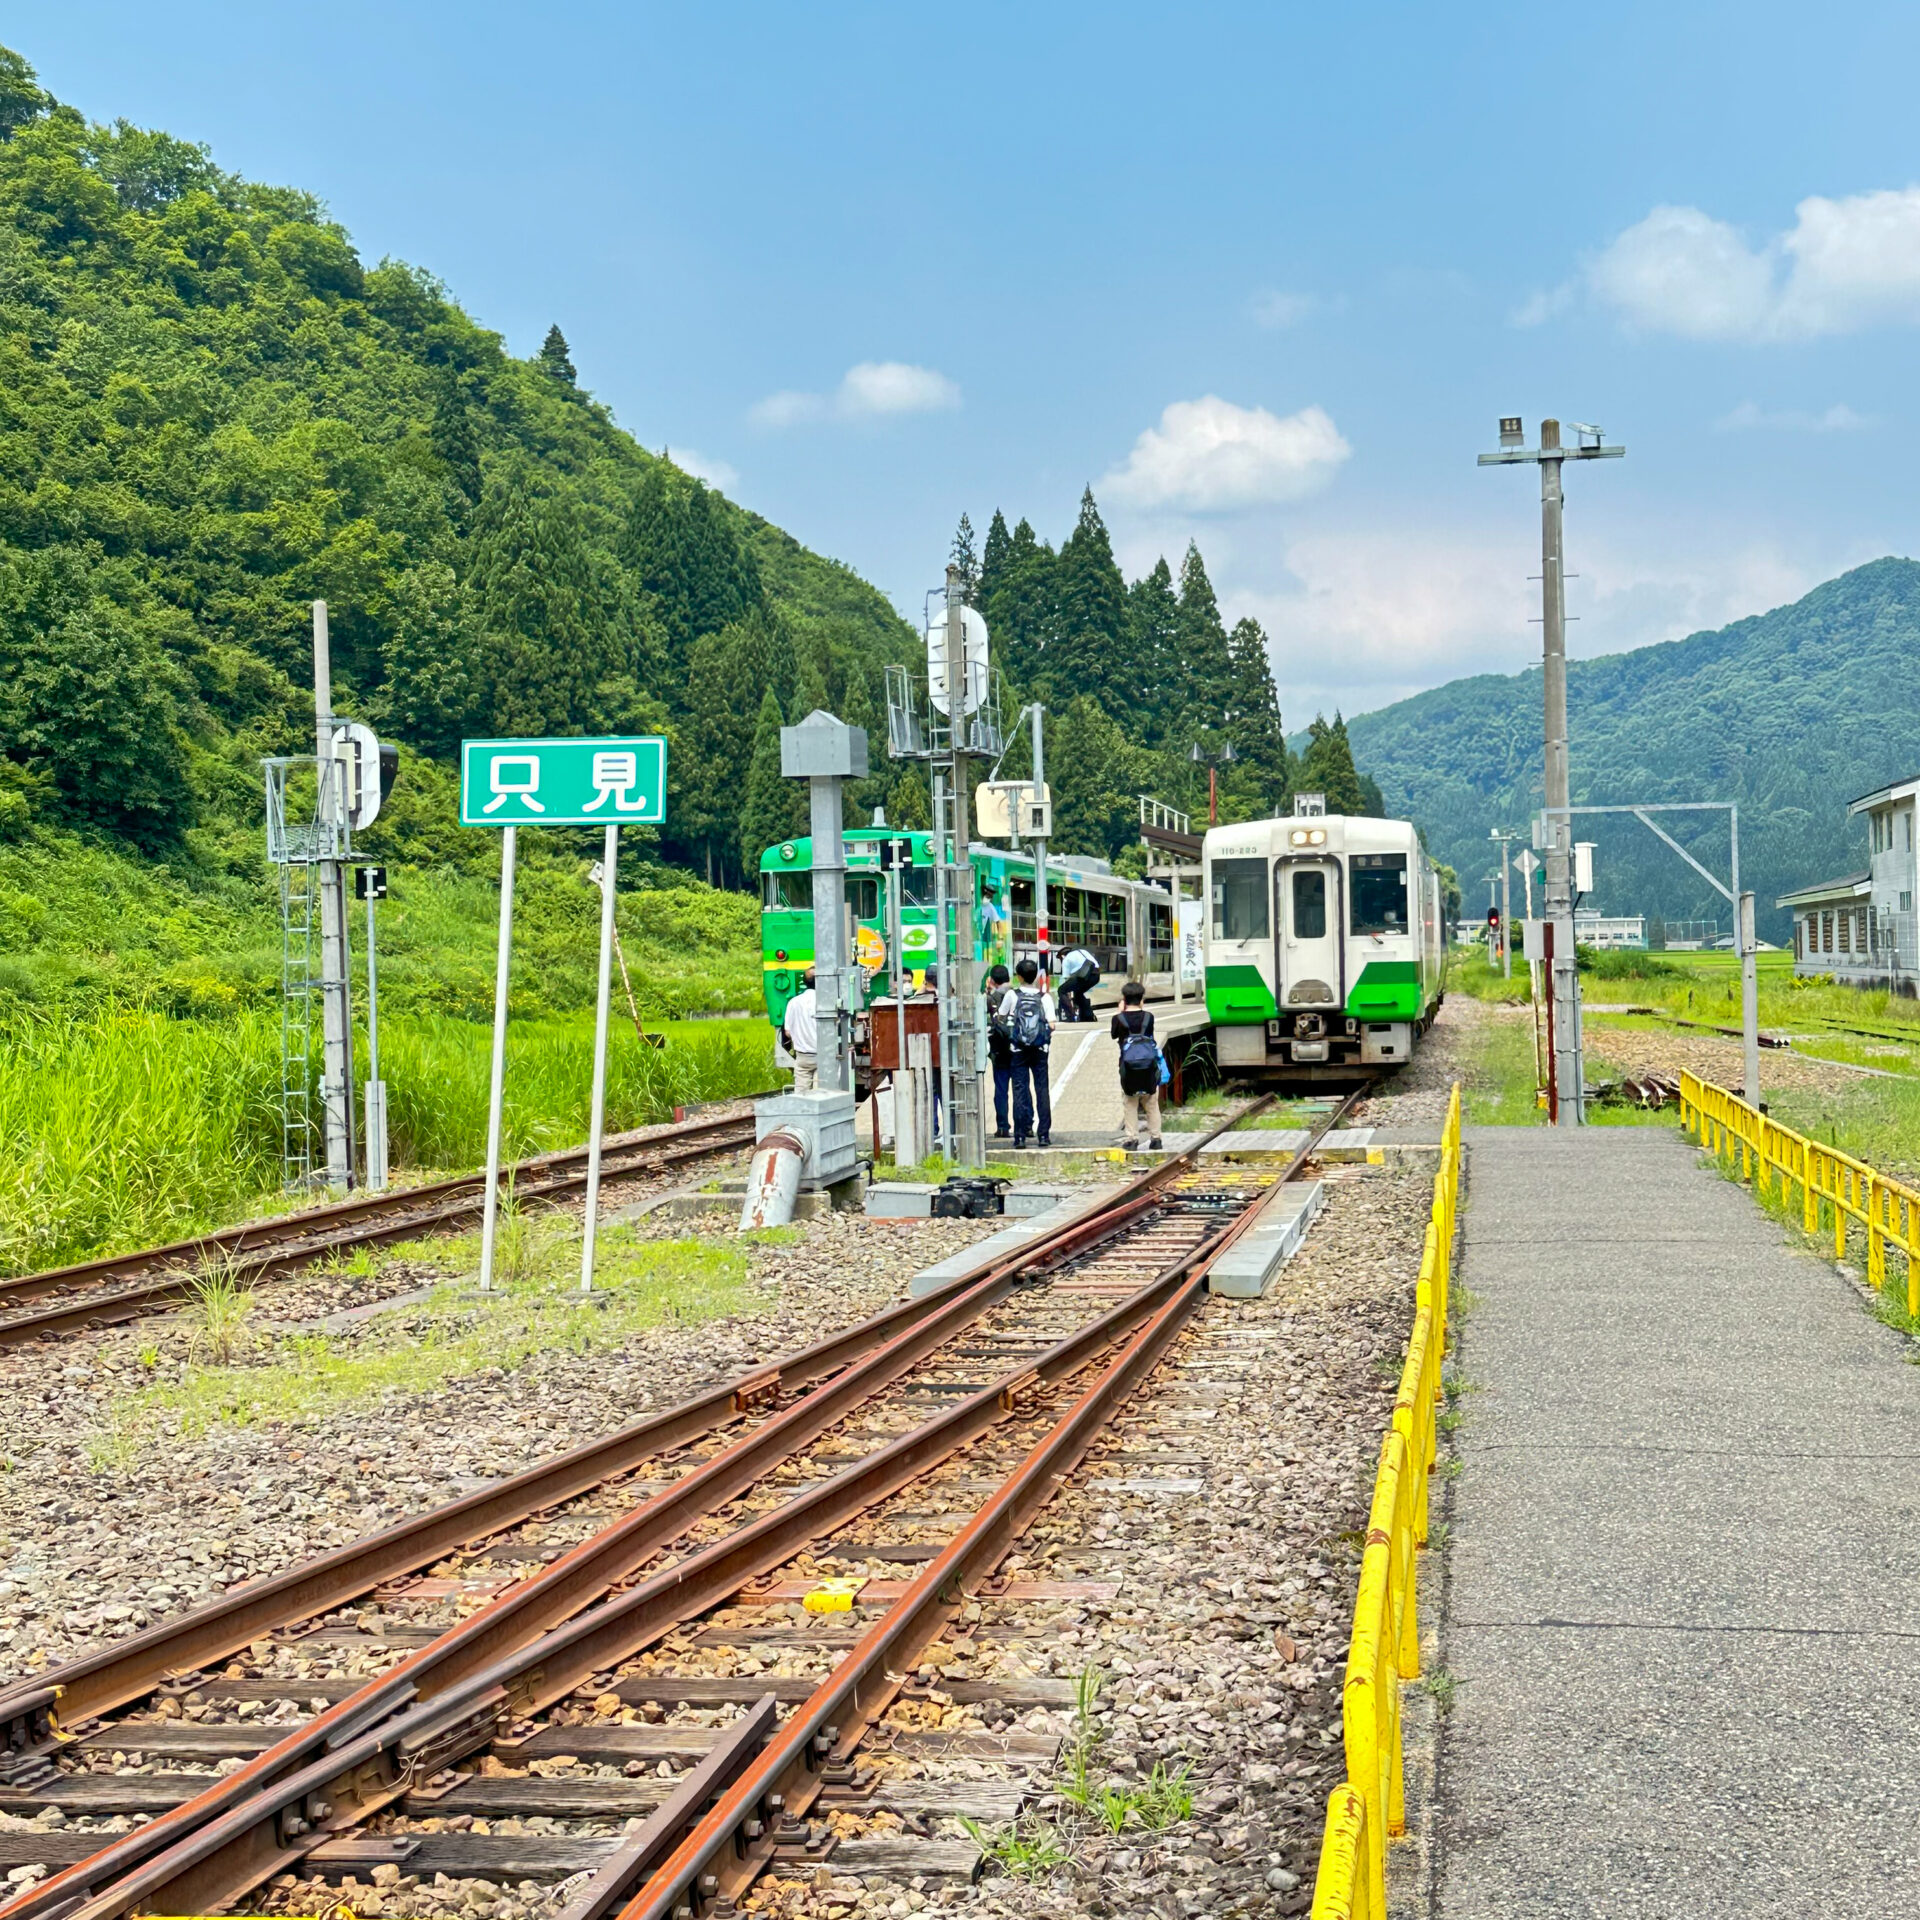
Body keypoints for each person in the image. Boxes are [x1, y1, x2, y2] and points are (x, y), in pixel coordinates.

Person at [996, 956, 1056, 1149]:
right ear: (1036, 976)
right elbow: (1052, 1024)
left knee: (1020, 1091)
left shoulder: (1012, 996)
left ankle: (1020, 1137)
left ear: (1019, 976)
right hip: (1040, 1050)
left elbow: (1001, 1017)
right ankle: (1044, 1135)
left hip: (1018, 1050)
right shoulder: (1045, 998)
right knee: (1042, 1090)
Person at [1111, 979, 1163, 1150]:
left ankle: (1132, 1139)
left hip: (1127, 1067)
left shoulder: (1118, 1019)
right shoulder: (1149, 1017)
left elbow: (1113, 1035)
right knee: (1151, 1102)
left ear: (1124, 1000)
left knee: (1130, 1102)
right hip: (1149, 1065)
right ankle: (1156, 1139)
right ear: (1142, 1000)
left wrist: (1120, 1012)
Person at [984, 962, 1013, 1138]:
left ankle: (1003, 1126)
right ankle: (1027, 1126)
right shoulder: (1017, 994)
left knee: (1001, 1088)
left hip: (999, 1048)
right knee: (1021, 1087)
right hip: (1018, 1048)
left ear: (992, 980)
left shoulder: (990, 999)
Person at [782, 967, 819, 1091]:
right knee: (822, 1095)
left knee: (802, 1096)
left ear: (804, 982)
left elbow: (787, 1032)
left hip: (803, 1057)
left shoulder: (793, 1002)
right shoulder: (826, 1002)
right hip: (824, 1057)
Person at [1058, 947, 1100, 1023]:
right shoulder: (1082, 951)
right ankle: (1088, 1016)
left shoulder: (1066, 959)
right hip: (1096, 975)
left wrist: (1066, 996)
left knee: (1061, 990)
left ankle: (1070, 1015)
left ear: (1062, 956)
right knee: (1078, 993)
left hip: (1083, 976)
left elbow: (1066, 979)